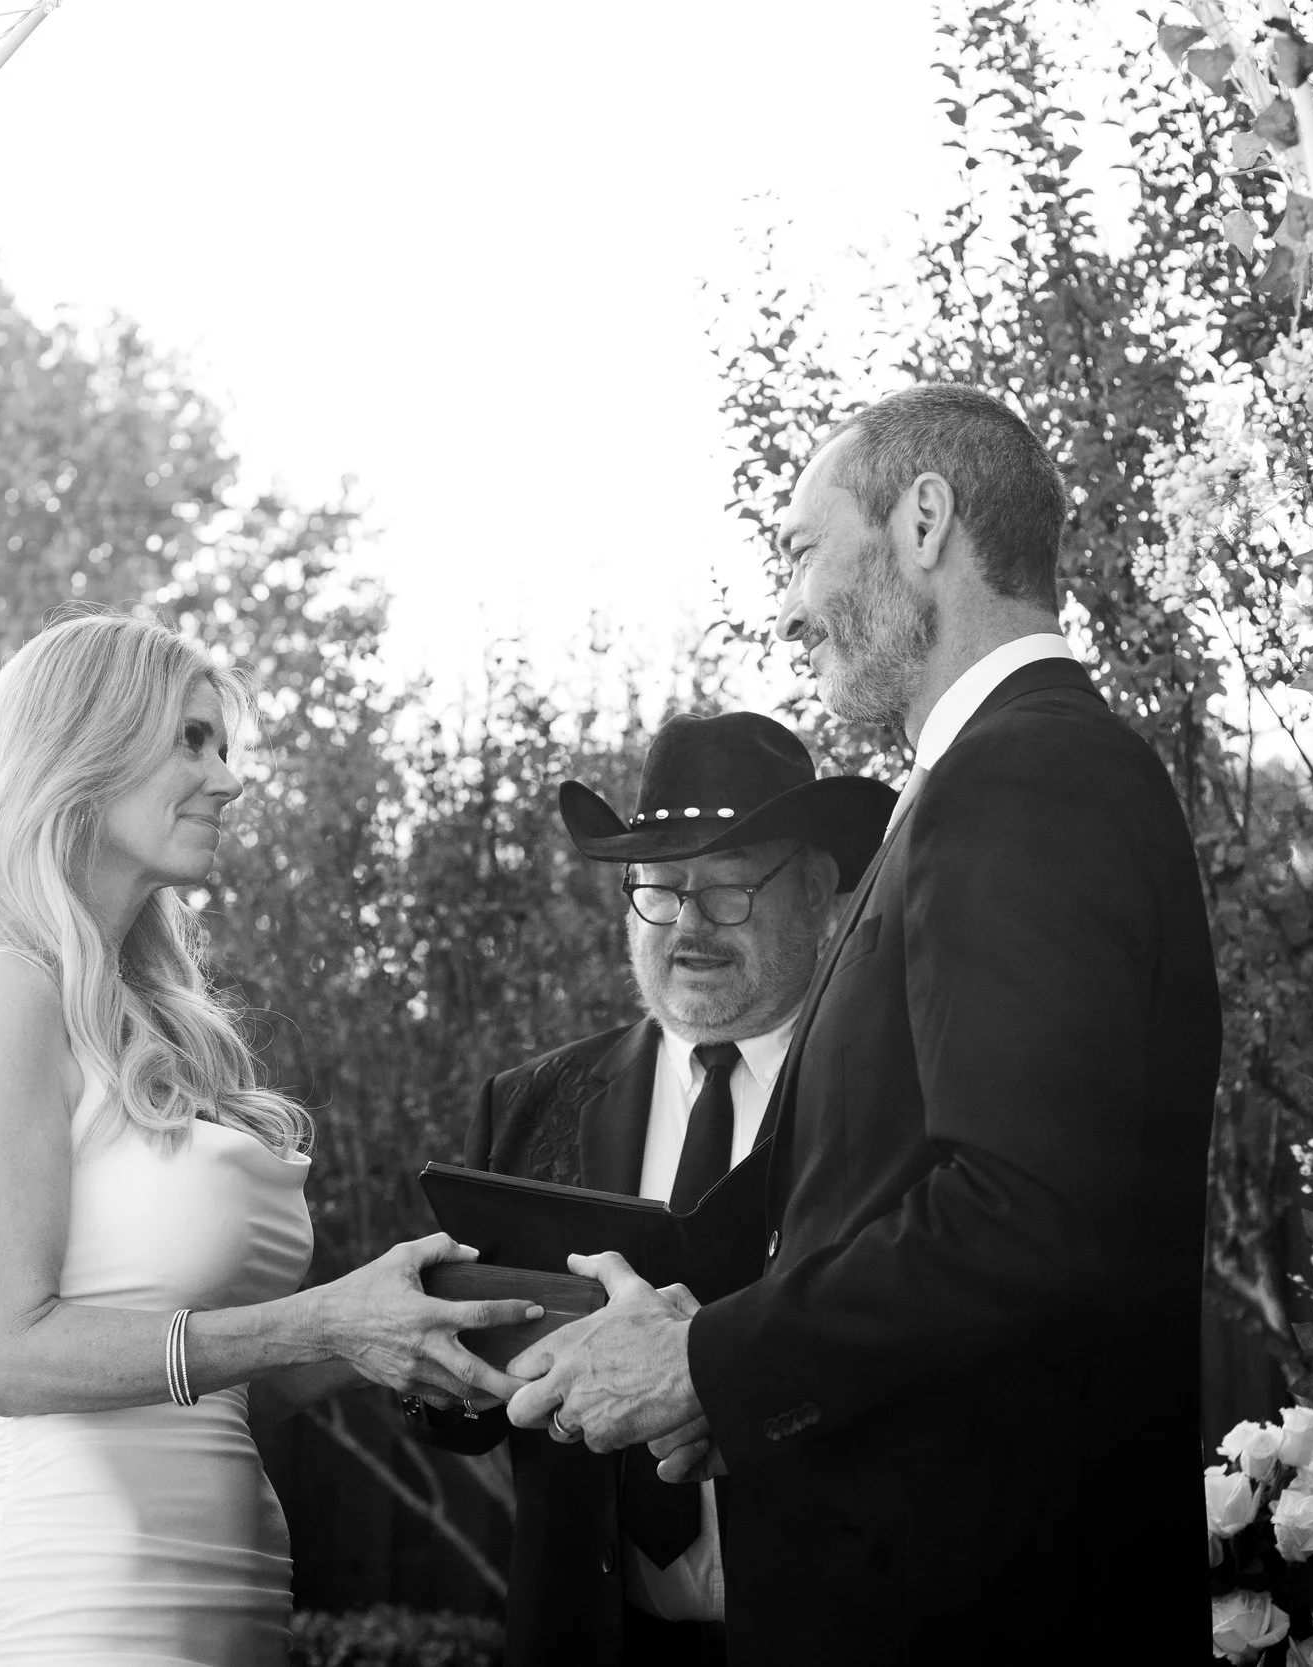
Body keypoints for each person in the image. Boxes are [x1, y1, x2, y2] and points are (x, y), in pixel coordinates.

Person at [505, 385, 1223, 1660]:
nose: (785, 605)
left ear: (924, 520)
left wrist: (711, 1363)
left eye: (799, 546)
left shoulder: (1022, 776)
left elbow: (1023, 1210)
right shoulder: (985, 782)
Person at [0, 613, 539, 1667]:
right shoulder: (2, 996)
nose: (229, 778)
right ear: (80, 749)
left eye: (224, 744)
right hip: (67, 1608)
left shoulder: (156, 1022)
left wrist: (375, 1334)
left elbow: (224, 1375)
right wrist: (316, 1317)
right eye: (191, 741)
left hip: (226, 1603)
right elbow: (10, 1355)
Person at [405, 712, 892, 1667]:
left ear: (817, 892)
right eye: (662, 890)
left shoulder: (880, 1108)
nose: (692, 925)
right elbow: (450, 1407)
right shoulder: (526, 1104)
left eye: (731, 888)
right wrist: (442, 1365)